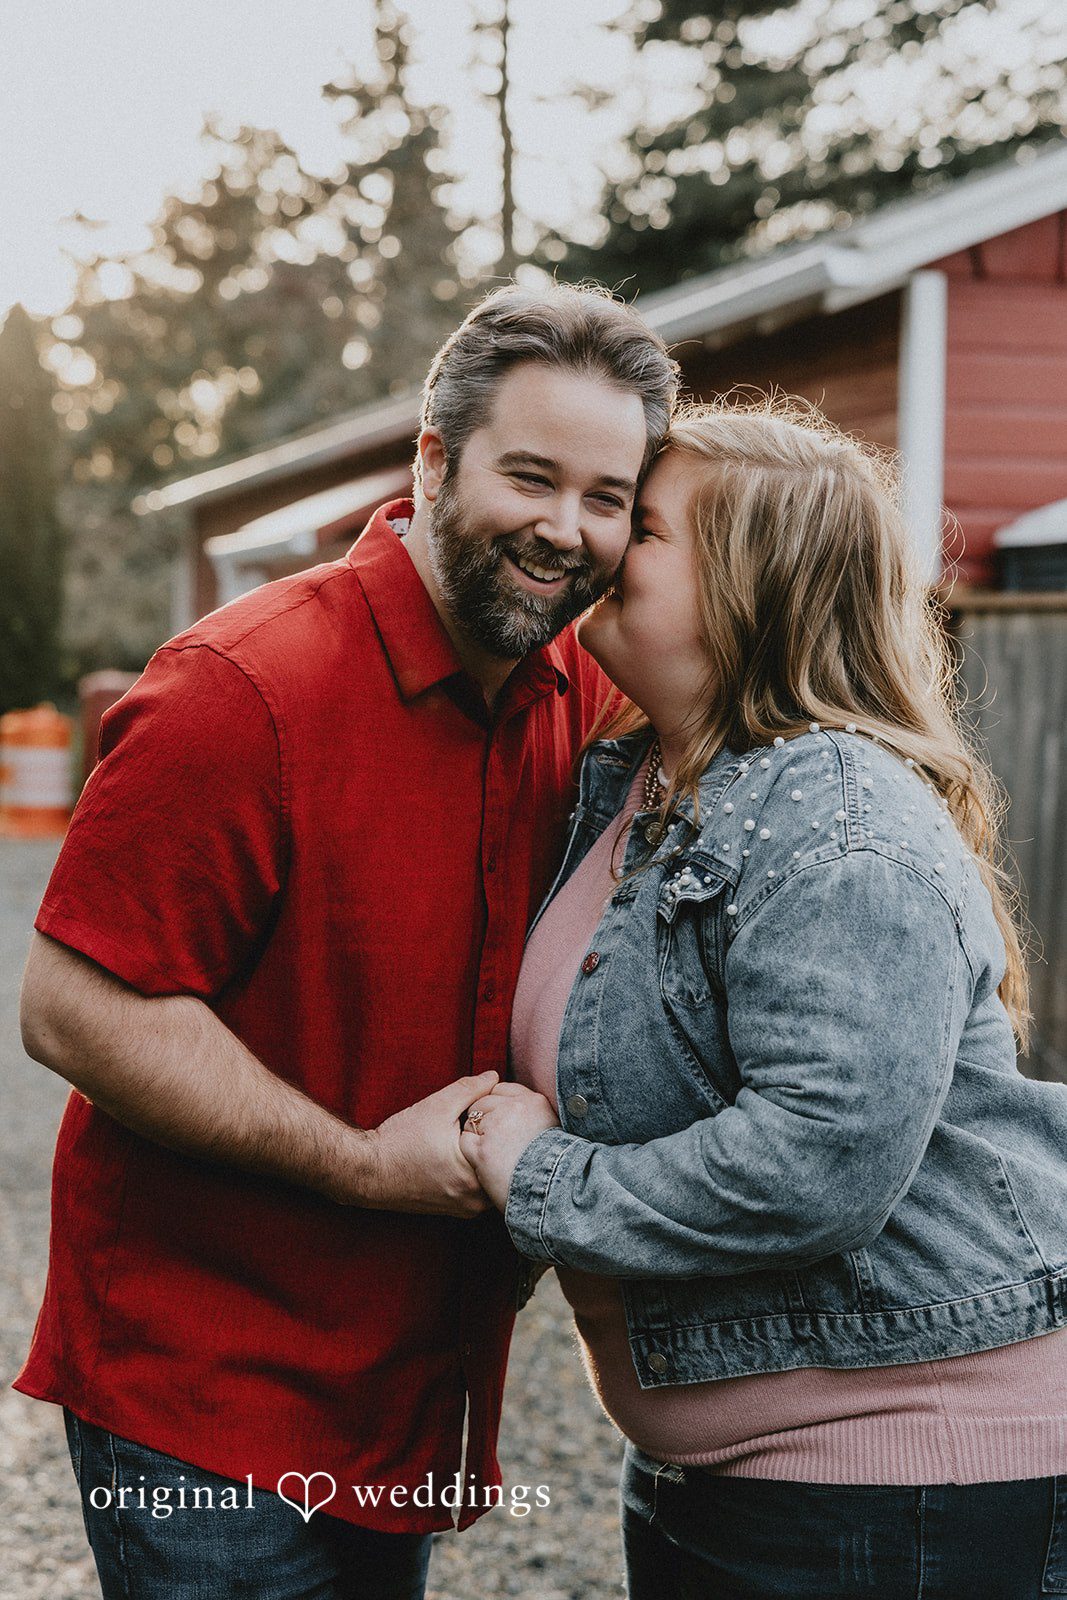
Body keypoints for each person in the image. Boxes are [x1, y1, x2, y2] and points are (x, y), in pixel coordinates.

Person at [15, 282, 678, 1600]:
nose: (565, 530)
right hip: (204, 1390)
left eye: (605, 498)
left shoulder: (587, 698)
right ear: (430, 463)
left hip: (412, 1383)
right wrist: (363, 1166)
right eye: (529, 477)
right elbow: (75, 1009)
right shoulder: (237, 695)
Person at [461, 400, 1067, 1599]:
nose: (590, 542)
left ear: (752, 584)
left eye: (637, 523)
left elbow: (815, 1161)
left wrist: (537, 1180)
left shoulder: (838, 818)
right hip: (739, 1474)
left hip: (901, 1480)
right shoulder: (635, 781)